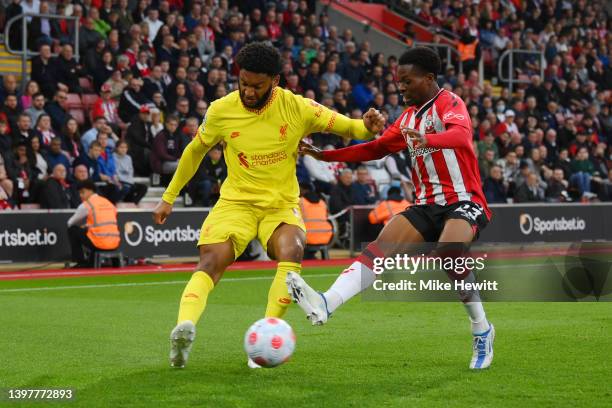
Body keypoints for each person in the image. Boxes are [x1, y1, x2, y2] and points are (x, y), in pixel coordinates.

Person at [152, 42, 384, 369]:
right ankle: (184, 328)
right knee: (211, 261)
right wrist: (168, 197)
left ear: (274, 80)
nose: (247, 90)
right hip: (236, 203)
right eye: (242, 83)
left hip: (279, 206)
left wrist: (366, 126)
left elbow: (346, 126)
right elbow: (194, 152)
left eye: (256, 85)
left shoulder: (296, 107)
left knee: (292, 251)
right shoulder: (221, 110)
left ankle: (264, 339)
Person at [288, 47, 495, 370]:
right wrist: (324, 156)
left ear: (428, 79)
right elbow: (376, 148)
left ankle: (481, 328)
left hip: (464, 199)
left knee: (449, 250)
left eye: (407, 81)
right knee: (380, 249)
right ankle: (328, 302)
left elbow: (461, 136)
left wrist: (429, 139)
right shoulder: (408, 118)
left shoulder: (450, 103)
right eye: (398, 81)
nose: (400, 86)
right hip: (426, 203)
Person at [67, 180, 120, 268]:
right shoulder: (108, 202)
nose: (80, 195)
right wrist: (88, 225)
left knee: (72, 230)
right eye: (79, 193)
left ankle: (80, 261)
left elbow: (70, 223)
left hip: (99, 243)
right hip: (115, 244)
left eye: (82, 192)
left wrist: (84, 226)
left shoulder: (87, 204)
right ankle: (92, 260)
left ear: (90, 190)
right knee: (91, 232)